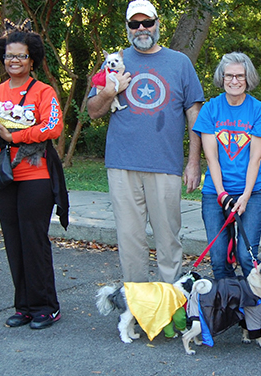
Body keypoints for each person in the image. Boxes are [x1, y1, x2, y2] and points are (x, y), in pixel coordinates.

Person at [87, 0, 204, 284]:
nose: (141, 29)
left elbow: (194, 115)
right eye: (134, 24)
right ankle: (139, 312)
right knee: (130, 243)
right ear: (127, 27)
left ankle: (170, 309)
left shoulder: (180, 63)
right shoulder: (114, 62)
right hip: (122, 164)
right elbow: (93, 111)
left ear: (157, 24)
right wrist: (110, 91)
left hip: (166, 165)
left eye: (147, 23)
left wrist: (193, 163)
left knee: (169, 242)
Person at [0, 21, 67, 330]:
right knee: (13, 242)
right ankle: (24, 306)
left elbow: (52, 126)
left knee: (33, 240)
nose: (14, 61)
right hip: (2, 179)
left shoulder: (44, 91)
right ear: (3, 59)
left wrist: (16, 137)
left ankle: (46, 306)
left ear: (32, 59)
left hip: (35, 175)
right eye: (9, 56)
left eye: (21, 56)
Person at [192, 52, 261, 334]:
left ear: (247, 78)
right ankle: (230, 311)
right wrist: (222, 194)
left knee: (245, 254)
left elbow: (255, 159)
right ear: (222, 78)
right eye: (229, 75)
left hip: (254, 192)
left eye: (240, 75)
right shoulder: (211, 110)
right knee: (218, 257)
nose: (234, 80)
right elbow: (212, 159)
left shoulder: (259, 111)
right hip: (216, 192)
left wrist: (243, 196)